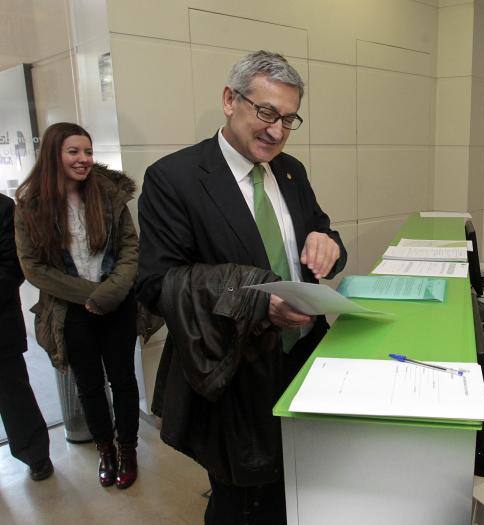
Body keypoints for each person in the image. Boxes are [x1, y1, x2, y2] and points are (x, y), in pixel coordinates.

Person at [136, 50, 347, 524]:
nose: (276, 130)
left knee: (300, 481)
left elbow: (320, 233)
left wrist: (328, 243)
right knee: (244, 499)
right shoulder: (175, 179)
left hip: (305, 353)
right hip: (234, 366)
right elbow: (155, 285)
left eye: (289, 119)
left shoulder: (290, 171)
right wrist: (257, 301)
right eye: (266, 112)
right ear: (230, 100)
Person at [14, 122, 140, 489]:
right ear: (54, 155)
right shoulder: (30, 205)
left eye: (87, 151)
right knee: (88, 385)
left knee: (123, 380)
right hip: (71, 312)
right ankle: (105, 449)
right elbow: (33, 268)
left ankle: (127, 449)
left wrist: (111, 292)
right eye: (74, 152)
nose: (84, 159)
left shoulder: (109, 195)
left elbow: (131, 248)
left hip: (117, 304)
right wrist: (89, 295)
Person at [0, 193, 53, 481]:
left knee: (13, 394)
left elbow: (12, 267)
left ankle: (36, 455)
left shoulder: (4, 208)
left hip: (1, 326)